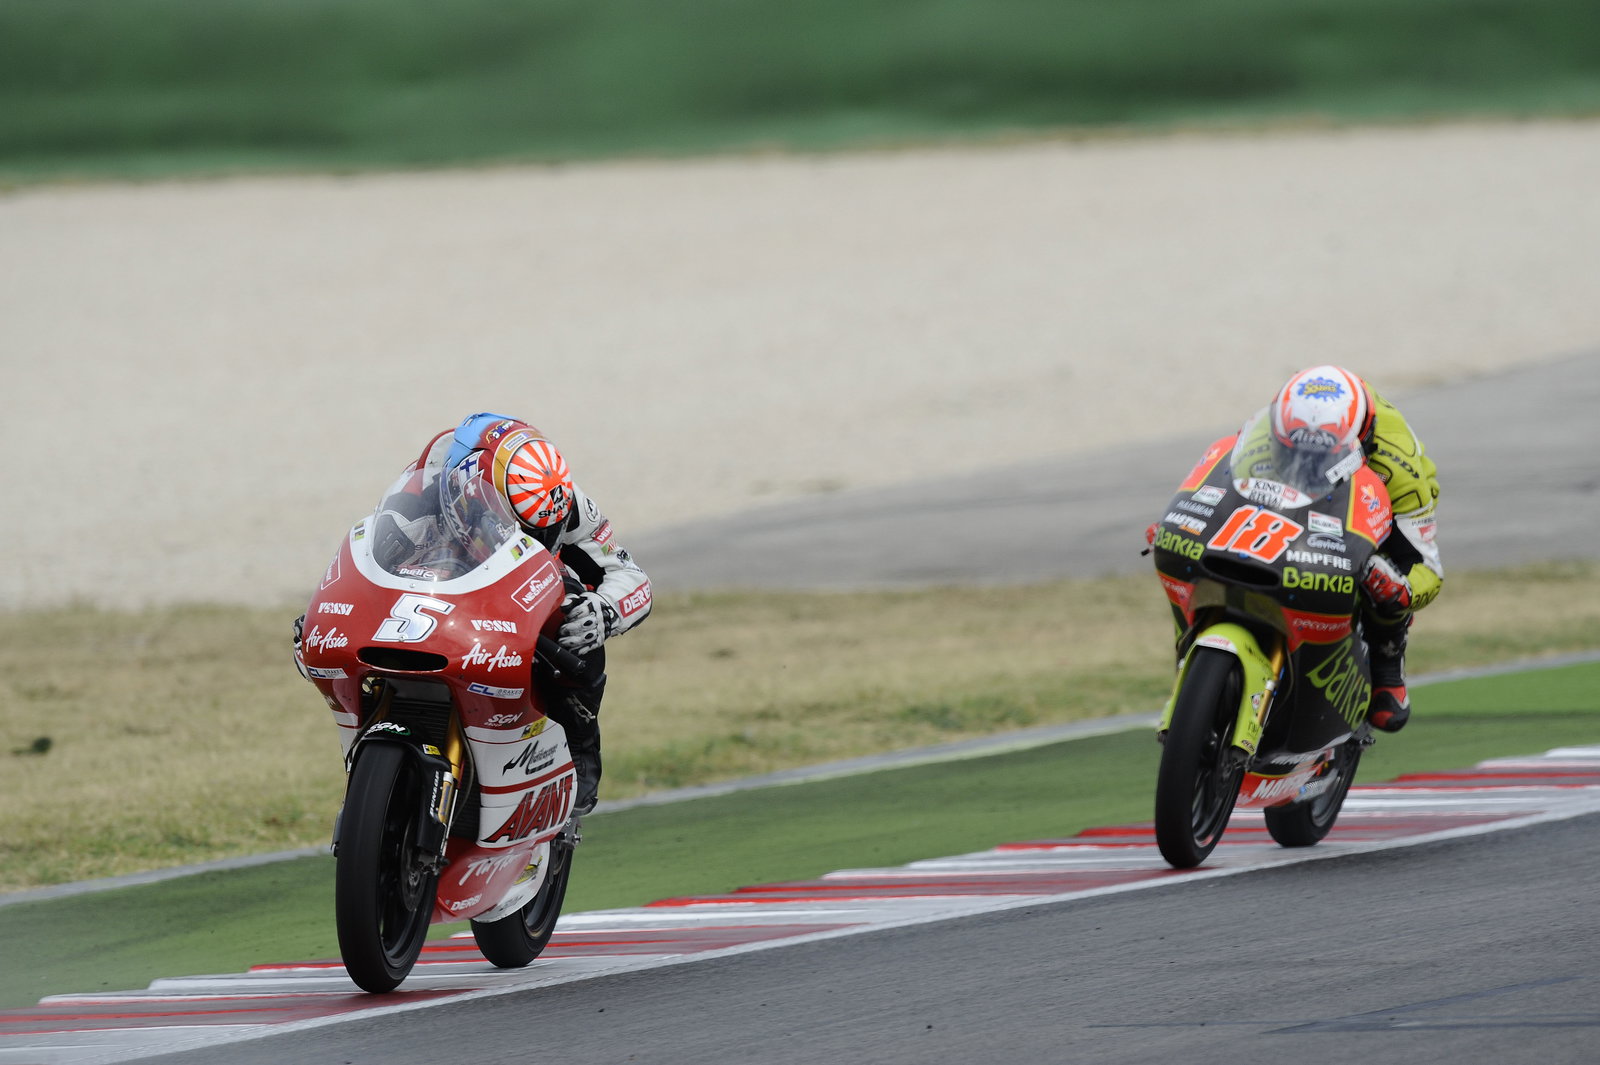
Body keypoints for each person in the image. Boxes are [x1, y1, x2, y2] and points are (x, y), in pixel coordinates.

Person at [302, 412, 651, 815]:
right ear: (469, 495)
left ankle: (580, 750)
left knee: (576, 614)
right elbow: (365, 565)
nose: (541, 539)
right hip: (436, 593)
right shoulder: (420, 497)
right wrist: (321, 620)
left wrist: (605, 611)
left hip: (512, 598)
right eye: (523, 528)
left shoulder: (561, 501)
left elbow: (629, 575)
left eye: (544, 530)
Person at [1248, 365, 1442, 732]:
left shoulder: (1398, 468)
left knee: (1386, 574)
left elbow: (1428, 567)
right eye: (1295, 451)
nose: (1308, 465)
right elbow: (1228, 475)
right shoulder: (1276, 424)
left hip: (1372, 497)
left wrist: (1401, 589)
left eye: (1319, 456)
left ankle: (1387, 657)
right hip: (1289, 486)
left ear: (1361, 439)